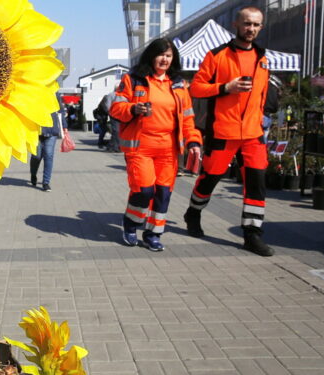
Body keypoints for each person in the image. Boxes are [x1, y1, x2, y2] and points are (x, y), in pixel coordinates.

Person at [183, 6, 273, 256]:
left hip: (254, 135)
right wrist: (225, 87)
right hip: (223, 133)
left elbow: (264, 95)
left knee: (257, 184)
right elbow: (197, 89)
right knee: (209, 179)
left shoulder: (263, 59)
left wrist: (263, 117)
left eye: (256, 25)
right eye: (247, 24)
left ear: (260, 27)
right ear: (236, 24)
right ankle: (193, 212)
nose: (251, 29)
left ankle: (252, 235)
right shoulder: (217, 55)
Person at [110, 38, 202, 251]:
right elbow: (116, 107)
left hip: (169, 150)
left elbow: (188, 117)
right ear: (151, 56)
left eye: (169, 56)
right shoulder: (134, 79)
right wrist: (133, 109)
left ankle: (153, 234)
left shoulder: (179, 84)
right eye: (161, 54)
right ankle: (131, 225)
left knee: (163, 193)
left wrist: (194, 141)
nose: (165, 59)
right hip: (140, 146)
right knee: (143, 190)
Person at [30, 94, 67, 192]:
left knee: (49, 155)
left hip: (52, 131)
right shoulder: (34, 91)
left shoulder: (55, 94)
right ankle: (33, 174)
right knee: (36, 156)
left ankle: (46, 182)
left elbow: (61, 111)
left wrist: (64, 125)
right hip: (36, 131)